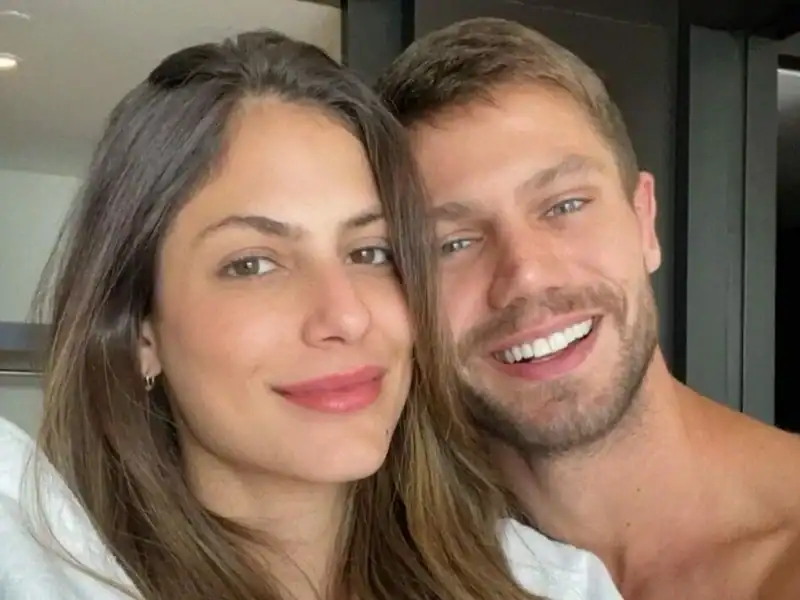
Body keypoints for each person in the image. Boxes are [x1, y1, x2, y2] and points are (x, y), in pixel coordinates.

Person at [0, 29, 623, 600]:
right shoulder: (49, 574)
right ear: (141, 331)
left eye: (370, 252)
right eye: (253, 264)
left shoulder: (554, 587)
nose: (345, 316)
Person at [377, 16, 800, 600]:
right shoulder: (375, 565)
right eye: (452, 243)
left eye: (565, 205)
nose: (525, 275)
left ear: (644, 221)